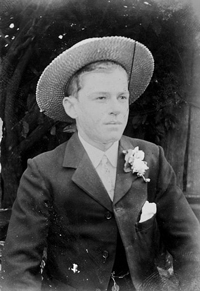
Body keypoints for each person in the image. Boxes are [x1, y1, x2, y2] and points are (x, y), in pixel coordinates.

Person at [1, 36, 200, 291]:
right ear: (72, 107)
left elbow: (190, 243)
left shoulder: (151, 158)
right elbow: (18, 268)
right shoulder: (43, 172)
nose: (116, 109)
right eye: (101, 98)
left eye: (122, 97)